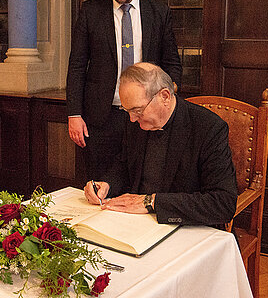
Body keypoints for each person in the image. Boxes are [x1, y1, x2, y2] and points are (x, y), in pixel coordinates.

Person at [67, 0, 182, 181]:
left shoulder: (158, 13)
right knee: (99, 186)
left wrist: (166, 104)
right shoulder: (91, 11)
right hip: (101, 118)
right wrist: (74, 114)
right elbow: (77, 66)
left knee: (142, 182)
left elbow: (172, 64)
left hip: (145, 117)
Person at [84, 63, 237, 228]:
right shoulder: (136, 122)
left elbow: (223, 203)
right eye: (127, 110)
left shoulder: (208, 128)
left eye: (138, 110)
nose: (132, 119)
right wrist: (107, 184)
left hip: (184, 227)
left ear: (165, 96)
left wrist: (152, 202)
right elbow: (124, 165)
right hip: (136, 223)